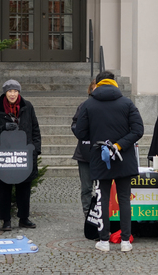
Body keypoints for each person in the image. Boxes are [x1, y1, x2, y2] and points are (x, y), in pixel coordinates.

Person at [74, 71, 144, 253]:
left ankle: (104, 240)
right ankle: (125, 241)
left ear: (97, 84)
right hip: (123, 157)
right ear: (114, 83)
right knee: (124, 200)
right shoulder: (127, 103)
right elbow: (138, 130)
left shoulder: (88, 104)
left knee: (103, 199)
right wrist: (119, 145)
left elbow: (80, 132)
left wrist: (98, 138)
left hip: (99, 156)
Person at [0, 80, 41, 231]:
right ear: (5, 92)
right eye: (9, 91)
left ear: (19, 92)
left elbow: (35, 129)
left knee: (24, 187)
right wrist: (3, 127)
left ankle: (24, 218)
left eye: (15, 91)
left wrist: (35, 149)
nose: (12, 94)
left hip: (24, 153)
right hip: (4, 155)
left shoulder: (27, 106)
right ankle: (6, 220)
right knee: (4, 188)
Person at [71, 80, 97, 217]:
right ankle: (87, 214)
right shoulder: (84, 106)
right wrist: (83, 134)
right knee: (86, 187)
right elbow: (75, 124)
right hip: (84, 152)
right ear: (90, 90)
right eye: (95, 88)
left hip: (101, 153)